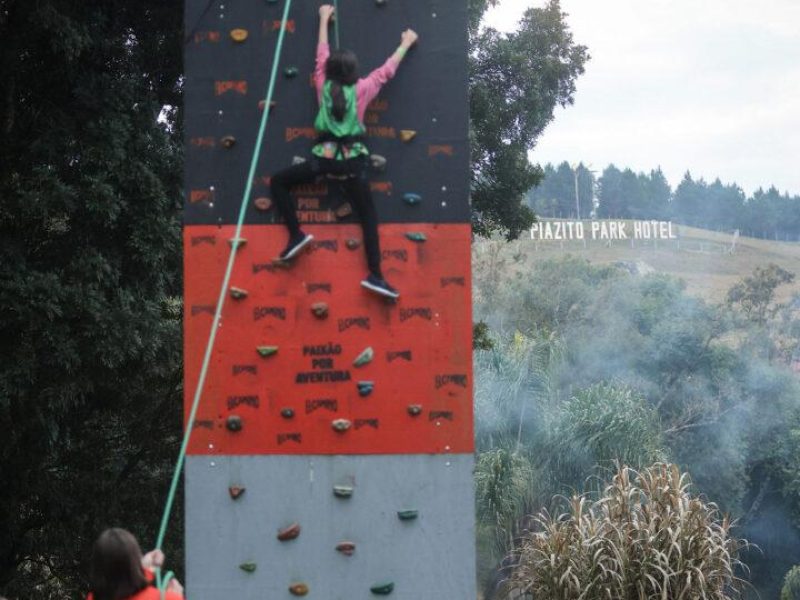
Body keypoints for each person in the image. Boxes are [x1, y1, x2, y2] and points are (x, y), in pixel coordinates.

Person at [270, 4, 419, 300]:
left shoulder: (322, 85)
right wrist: (406, 42)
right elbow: (386, 71)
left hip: (323, 163)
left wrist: (324, 18)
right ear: (353, 74)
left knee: (278, 182)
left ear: (329, 72)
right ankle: (376, 275)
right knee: (368, 217)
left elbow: (321, 53)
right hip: (353, 166)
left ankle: (296, 234)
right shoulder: (363, 89)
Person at [87, 528, 183, 600]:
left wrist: (146, 570)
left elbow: (123, 587)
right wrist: (177, 596)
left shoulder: (91, 598)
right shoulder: (167, 598)